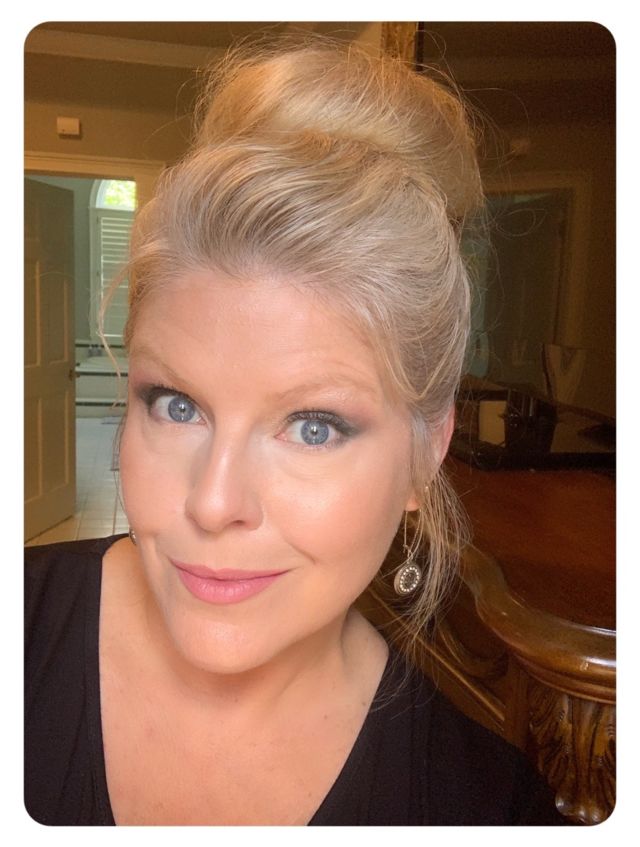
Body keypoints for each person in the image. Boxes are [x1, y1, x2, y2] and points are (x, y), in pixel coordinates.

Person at [24, 36, 567, 826]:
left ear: (427, 449)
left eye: (313, 426)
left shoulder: (489, 812)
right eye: (177, 405)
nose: (213, 503)